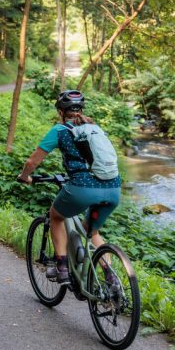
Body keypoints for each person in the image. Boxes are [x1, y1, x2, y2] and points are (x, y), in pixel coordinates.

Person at [17, 90, 121, 284]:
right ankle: (111, 278)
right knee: (92, 231)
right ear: (81, 110)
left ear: (60, 112)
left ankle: (62, 267)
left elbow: (32, 162)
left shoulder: (59, 130)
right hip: (113, 188)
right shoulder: (95, 128)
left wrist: (24, 177)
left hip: (82, 189)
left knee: (56, 216)